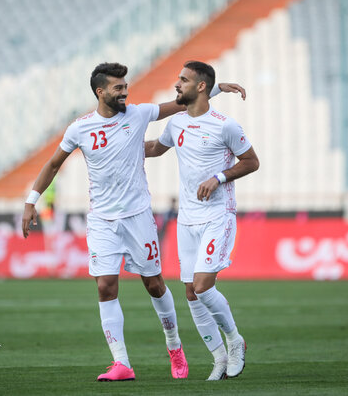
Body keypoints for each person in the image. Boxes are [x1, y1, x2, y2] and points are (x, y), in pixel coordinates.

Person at [22, 62, 245, 381]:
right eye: (118, 87)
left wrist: (217, 88)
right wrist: (31, 201)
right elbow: (53, 164)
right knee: (105, 286)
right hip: (101, 220)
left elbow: (181, 103)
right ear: (101, 92)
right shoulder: (79, 128)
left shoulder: (138, 114)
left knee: (154, 284)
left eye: (126, 86)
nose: (125, 91)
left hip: (138, 217)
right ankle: (121, 363)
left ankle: (174, 345)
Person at [145, 61, 259, 380]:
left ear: (201, 87)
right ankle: (219, 358)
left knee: (202, 285)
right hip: (187, 219)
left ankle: (235, 341)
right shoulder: (178, 122)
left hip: (217, 214)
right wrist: (116, 147)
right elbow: (155, 147)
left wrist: (219, 177)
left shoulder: (226, 125)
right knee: (191, 293)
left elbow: (252, 161)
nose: (176, 84)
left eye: (183, 80)